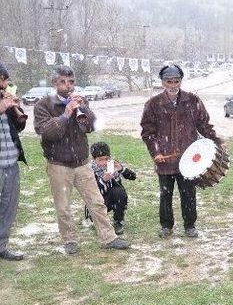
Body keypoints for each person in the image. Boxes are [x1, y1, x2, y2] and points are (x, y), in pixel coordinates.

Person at [34, 65, 130, 255]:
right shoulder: (43, 105)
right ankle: (69, 240)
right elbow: (48, 133)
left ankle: (108, 238)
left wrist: (83, 108)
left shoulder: (80, 101)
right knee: (63, 206)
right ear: (54, 83)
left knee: (96, 201)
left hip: (82, 163)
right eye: (62, 82)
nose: (67, 86)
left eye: (71, 82)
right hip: (59, 164)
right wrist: (65, 114)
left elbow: (91, 126)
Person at [140, 64, 221, 238]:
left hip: (189, 159)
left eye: (176, 81)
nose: (173, 85)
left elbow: (204, 125)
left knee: (189, 194)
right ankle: (166, 225)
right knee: (165, 194)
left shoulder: (192, 101)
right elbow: (148, 132)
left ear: (181, 81)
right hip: (165, 160)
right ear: (163, 82)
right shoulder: (153, 104)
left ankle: (190, 225)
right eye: (169, 81)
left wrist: (216, 142)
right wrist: (156, 153)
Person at [0, 63, 27, 261]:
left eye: (5, 79)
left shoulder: (5, 98)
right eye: (2, 79)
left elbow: (18, 129)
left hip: (10, 162)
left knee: (8, 207)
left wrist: (17, 111)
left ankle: (1, 246)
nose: (5, 84)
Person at [89, 142, 137, 235]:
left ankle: (118, 221)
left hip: (112, 197)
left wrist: (122, 169)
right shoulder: (89, 170)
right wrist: (103, 180)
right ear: (94, 159)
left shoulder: (113, 165)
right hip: (97, 200)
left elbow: (133, 177)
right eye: (100, 160)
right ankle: (97, 220)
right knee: (97, 215)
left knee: (119, 192)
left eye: (106, 159)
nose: (104, 162)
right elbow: (90, 191)